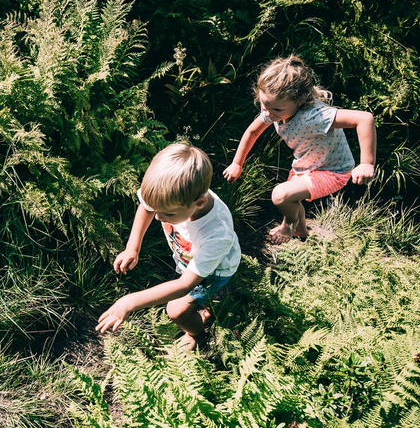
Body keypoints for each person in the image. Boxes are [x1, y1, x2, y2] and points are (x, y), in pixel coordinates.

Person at [96, 143, 241, 350]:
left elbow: (185, 284)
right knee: (202, 300)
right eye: (156, 209)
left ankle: (197, 334)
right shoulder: (172, 198)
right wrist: (132, 247)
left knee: (176, 311)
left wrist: (129, 302)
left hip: (214, 272)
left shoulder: (216, 233)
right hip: (190, 261)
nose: (157, 217)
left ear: (199, 202)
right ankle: (209, 307)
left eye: (167, 214)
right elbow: (146, 208)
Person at [223, 55, 377, 244]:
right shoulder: (271, 110)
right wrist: (237, 163)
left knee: (281, 196)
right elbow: (252, 132)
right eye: (264, 105)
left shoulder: (314, 116)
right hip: (305, 165)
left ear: (300, 100)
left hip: (332, 170)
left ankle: (288, 226)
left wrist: (366, 163)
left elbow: (364, 118)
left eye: (277, 110)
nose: (269, 114)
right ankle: (301, 230)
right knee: (291, 198)